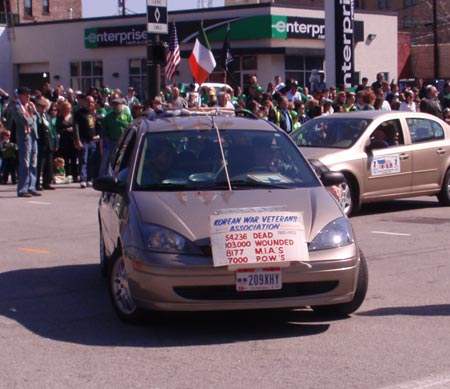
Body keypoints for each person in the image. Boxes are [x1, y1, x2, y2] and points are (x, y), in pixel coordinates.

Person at [12, 87, 41, 197]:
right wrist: (32, 117)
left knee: (33, 163)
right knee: (25, 163)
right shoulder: (17, 108)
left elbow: (38, 119)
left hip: (33, 136)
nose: (28, 97)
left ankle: (32, 187)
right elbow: (25, 121)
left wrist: (34, 111)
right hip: (24, 138)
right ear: (20, 95)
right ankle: (22, 189)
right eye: (26, 94)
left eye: (29, 94)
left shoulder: (29, 106)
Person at [73, 94, 101, 188]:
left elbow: (96, 126)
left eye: (92, 102)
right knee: (83, 160)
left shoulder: (93, 113)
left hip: (92, 140)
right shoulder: (79, 113)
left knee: (91, 160)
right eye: (88, 101)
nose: (90, 103)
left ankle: (89, 178)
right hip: (83, 140)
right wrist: (77, 140)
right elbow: (75, 127)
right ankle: (83, 179)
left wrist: (98, 135)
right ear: (84, 102)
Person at [100, 98, 133, 176]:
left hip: (125, 141)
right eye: (114, 105)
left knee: (124, 157)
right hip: (113, 140)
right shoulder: (109, 116)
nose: (116, 106)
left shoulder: (126, 115)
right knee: (112, 158)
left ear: (121, 105)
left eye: (118, 105)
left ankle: (122, 174)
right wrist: (107, 137)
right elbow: (104, 128)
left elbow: (132, 125)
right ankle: (110, 174)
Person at [35, 97, 58, 190]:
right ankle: (37, 183)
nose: (43, 109)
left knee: (49, 164)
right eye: (41, 107)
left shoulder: (47, 116)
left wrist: (56, 142)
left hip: (50, 143)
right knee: (40, 164)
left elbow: (53, 130)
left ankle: (46, 182)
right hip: (41, 143)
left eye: (45, 107)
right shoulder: (37, 116)